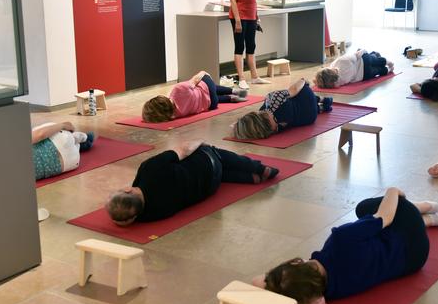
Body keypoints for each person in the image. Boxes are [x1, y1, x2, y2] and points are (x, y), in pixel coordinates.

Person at [252, 187, 438, 304]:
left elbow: (259, 282)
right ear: (295, 262)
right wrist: (393, 192)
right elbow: (386, 217)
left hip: (414, 262)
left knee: (372, 232)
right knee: (364, 209)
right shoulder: (341, 240)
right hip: (411, 240)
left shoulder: (327, 293)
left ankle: (427, 221)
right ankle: (425, 207)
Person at [105, 140, 279, 225]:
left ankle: (250, 178)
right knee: (212, 152)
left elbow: (126, 219)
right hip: (210, 163)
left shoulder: (152, 214)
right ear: (128, 190)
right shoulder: (149, 169)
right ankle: (257, 167)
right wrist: (200, 142)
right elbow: (183, 149)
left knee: (212, 172)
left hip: (210, 187)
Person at [231, 77, 332, 140]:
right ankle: (322, 99)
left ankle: (321, 108)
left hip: (309, 117)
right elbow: (294, 89)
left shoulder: (272, 130)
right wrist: (303, 81)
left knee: (296, 109)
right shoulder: (273, 100)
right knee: (295, 93)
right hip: (307, 99)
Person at [228, 0, 270, 90]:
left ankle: (254, 76)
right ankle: (241, 78)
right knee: (240, 47)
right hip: (239, 16)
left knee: (251, 46)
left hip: (251, 16)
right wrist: (238, 20)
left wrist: (256, 17)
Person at [141, 70, 249, 123]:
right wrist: (204, 73)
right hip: (209, 91)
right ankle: (233, 91)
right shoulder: (177, 89)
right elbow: (195, 79)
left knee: (208, 96)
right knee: (205, 83)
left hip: (211, 105)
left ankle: (230, 98)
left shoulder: (174, 115)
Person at [314, 49, 394, 89]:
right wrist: (363, 50)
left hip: (365, 75)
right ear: (329, 70)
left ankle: (388, 69)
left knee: (379, 71)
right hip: (364, 61)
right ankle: (387, 61)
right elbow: (356, 56)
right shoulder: (340, 62)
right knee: (376, 60)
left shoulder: (337, 84)